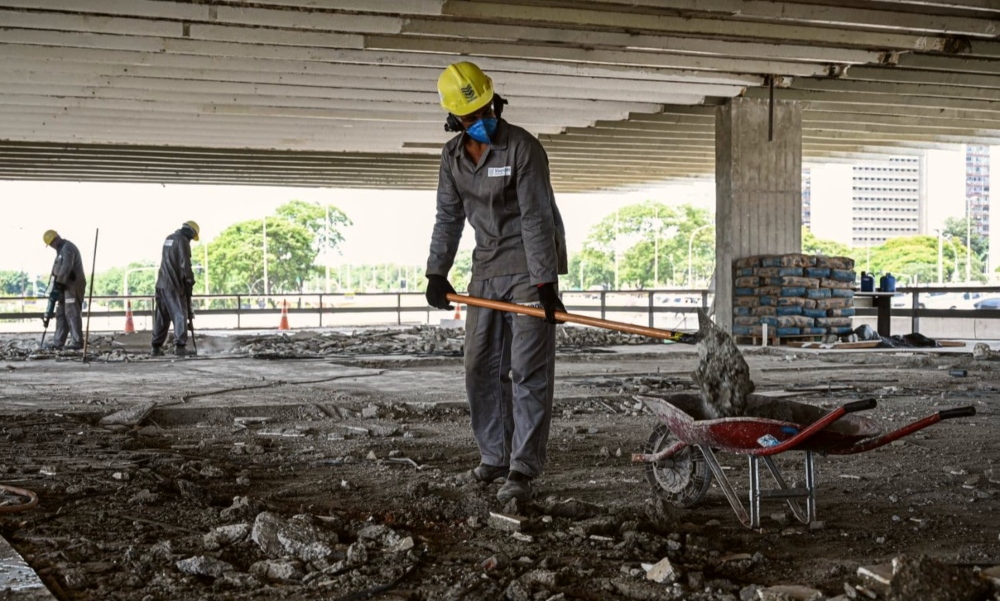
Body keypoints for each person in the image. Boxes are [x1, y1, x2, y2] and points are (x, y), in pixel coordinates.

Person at [424, 62, 568, 504]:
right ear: (454, 119)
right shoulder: (451, 159)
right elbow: (448, 218)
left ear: (494, 100)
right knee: (479, 367)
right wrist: (436, 271)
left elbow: (536, 218)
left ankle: (522, 468)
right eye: (471, 117)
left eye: (486, 109)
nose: (482, 120)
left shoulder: (523, 148)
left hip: (528, 268)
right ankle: (494, 456)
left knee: (527, 370)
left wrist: (545, 284)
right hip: (485, 270)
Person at [151, 221, 199, 357]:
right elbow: (185, 264)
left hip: (161, 284)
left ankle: (156, 346)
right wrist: (189, 281)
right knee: (180, 314)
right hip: (173, 285)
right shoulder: (182, 241)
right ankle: (180, 346)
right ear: (190, 232)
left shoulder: (169, 238)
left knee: (162, 316)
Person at [42, 230, 86, 350]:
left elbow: (66, 267)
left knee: (71, 312)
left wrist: (59, 283)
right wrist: (54, 286)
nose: (52, 246)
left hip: (72, 285)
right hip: (63, 285)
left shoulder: (67, 248)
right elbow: (57, 269)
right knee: (61, 313)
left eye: (52, 243)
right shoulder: (59, 251)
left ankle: (77, 341)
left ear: (56, 239)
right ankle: (58, 342)